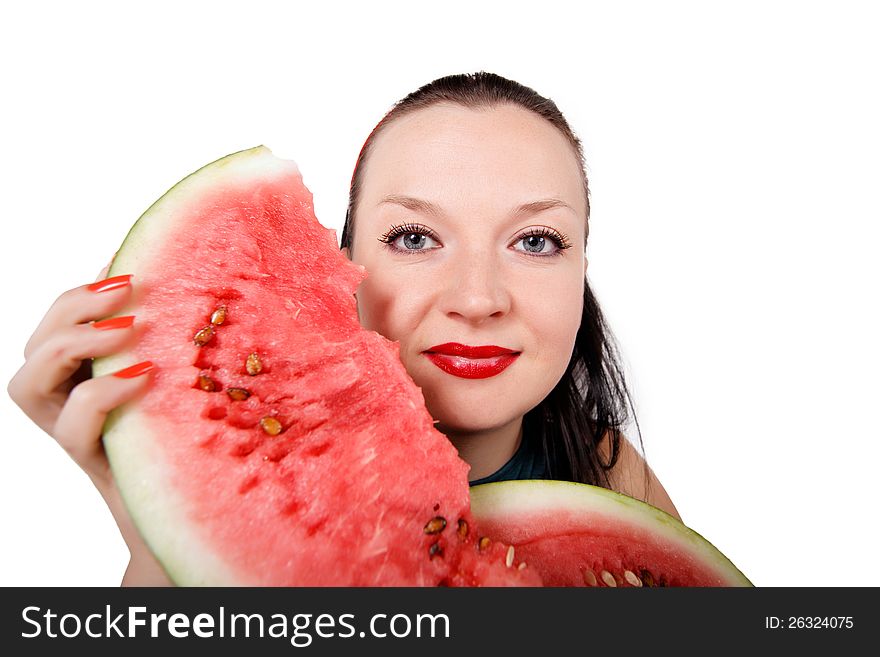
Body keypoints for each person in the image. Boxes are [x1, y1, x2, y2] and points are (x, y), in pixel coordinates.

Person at [8, 71, 680, 586]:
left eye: (536, 241)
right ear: (341, 265)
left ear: (583, 270)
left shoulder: (613, 475)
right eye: (414, 236)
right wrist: (159, 540)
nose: (478, 299)